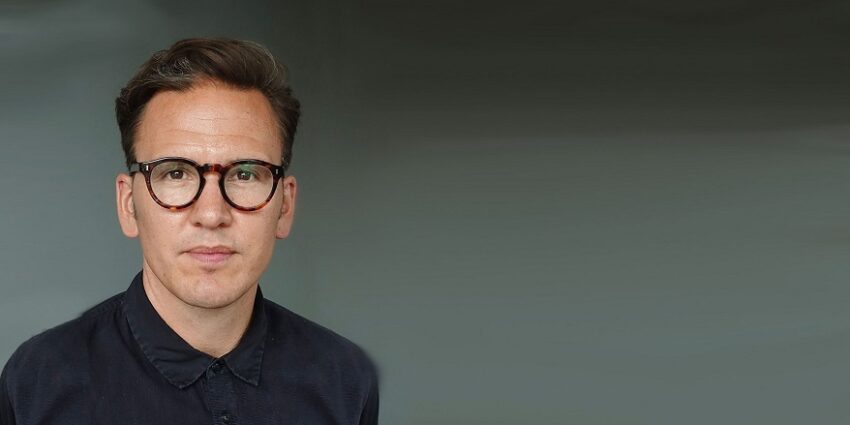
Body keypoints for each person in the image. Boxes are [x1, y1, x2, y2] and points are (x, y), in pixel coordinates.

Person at [0, 37, 379, 425]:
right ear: (129, 204)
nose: (212, 214)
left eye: (245, 173)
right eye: (175, 173)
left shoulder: (345, 380)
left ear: (285, 206)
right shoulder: (37, 383)